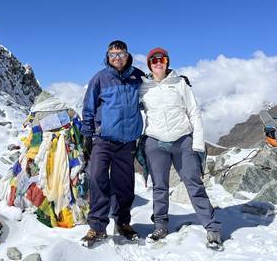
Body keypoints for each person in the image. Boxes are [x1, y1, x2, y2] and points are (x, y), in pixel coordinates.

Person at [139, 47, 223, 250]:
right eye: (154, 60)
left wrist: (197, 144)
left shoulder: (180, 83)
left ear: (167, 62)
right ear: (149, 64)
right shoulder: (143, 88)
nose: (158, 62)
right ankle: (160, 225)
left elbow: (194, 112)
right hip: (155, 141)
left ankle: (212, 228)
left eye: (162, 59)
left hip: (182, 140)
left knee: (194, 183)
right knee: (160, 186)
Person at [80, 40, 145, 247]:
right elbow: (89, 106)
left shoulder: (138, 77)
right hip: (103, 139)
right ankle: (97, 227)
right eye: (113, 54)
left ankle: (123, 223)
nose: (117, 58)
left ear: (128, 55)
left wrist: (177, 80)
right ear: (107, 57)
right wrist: (87, 134)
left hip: (127, 142)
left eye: (121, 54)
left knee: (124, 185)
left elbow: (157, 87)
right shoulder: (100, 78)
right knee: (98, 179)